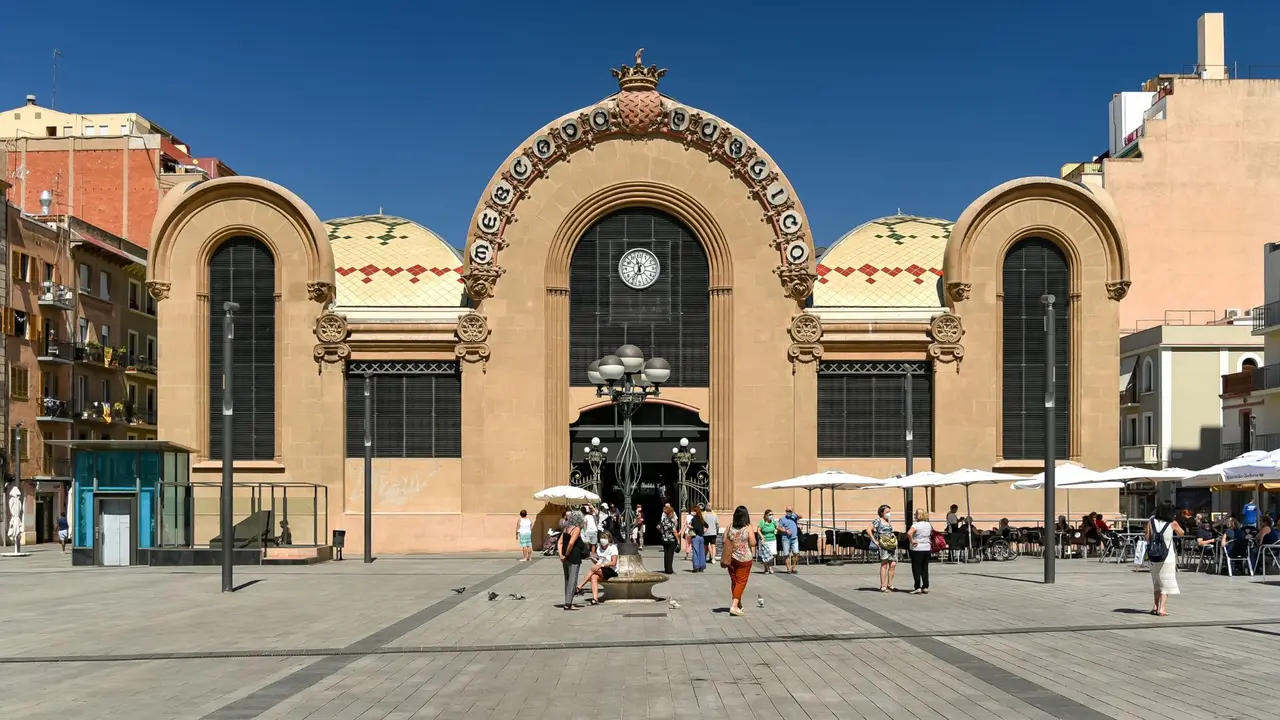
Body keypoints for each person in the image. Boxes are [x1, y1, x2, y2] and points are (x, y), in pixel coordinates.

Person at [1146, 501, 1183, 617]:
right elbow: (1182, 533)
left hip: (1153, 556)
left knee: (1156, 582)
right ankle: (1161, 608)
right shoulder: (1173, 523)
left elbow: (1147, 537)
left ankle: (1155, 606)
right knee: (1166, 583)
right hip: (1167, 557)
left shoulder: (1151, 521)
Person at [723, 506, 756, 616]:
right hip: (744, 558)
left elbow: (724, 540)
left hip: (731, 558)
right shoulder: (748, 527)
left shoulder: (730, 526)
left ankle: (738, 604)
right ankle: (734, 606)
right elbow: (752, 543)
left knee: (734, 581)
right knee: (741, 582)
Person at [577, 532, 619, 605]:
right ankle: (595, 599)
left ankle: (579, 586)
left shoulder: (613, 547)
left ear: (609, 539)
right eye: (601, 538)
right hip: (602, 569)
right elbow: (599, 562)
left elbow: (613, 562)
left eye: (605, 538)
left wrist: (601, 565)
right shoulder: (599, 548)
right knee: (593, 577)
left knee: (592, 569)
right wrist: (594, 560)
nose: (603, 540)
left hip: (611, 570)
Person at [867, 504, 898, 592]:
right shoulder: (878, 521)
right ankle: (882, 585)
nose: (889, 514)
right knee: (884, 564)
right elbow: (868, 530)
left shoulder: (888, 521)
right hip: (883, 545)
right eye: (887, 512)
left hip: (891, 545)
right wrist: (874, 540)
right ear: (881, 512)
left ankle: (890, 584)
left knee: (893, 564)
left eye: (889, 512)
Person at [559, 511, 586, 611]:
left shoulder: (566, 528)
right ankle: (568, 604)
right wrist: (566, 554)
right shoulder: (576, 529)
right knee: (572, 580)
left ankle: (567, 600)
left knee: (567, 579)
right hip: (573, 557)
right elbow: (571, 543)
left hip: (565, 558)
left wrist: (561, 555)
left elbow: (560, 542)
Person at [906, 508, 933, 595]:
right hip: (927, 547)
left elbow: (909, 533)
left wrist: (912, 540)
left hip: (917, 548)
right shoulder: (929, 524)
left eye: (915, 514)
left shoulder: (916, 525)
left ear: (918, 515)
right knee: (925, 568)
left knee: (916, 568)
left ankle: (917, 586)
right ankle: (925, 586)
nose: (914, 516)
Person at [777, 506, 802, 574]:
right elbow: (779, 527)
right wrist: (785, 531)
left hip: (794, 538)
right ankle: (788, 569)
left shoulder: (794, 517)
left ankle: (793, 567)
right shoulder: (782, 519)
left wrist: (793, 511)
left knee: (796, 553)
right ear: (785, 511)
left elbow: (801, 516)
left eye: (790, 511)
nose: (789, 512)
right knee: (786, 554)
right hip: (785, 539)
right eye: (787, 511)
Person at [659, 503, 679, 574]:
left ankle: (666, 568)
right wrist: (678, 540)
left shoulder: (663, 521)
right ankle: (669, 570)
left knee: (666, 554)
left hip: (664, 539)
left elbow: (660, 529)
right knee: (670, 555)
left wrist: (664, 533)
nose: (673, 514)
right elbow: (675, 532)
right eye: (672, 513)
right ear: (670, 513)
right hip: (671, 540)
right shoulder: (671, 522)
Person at [756, 509, 778, 574]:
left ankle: (770, 566)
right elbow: (758, 530)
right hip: (765, 541)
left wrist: (783, 530)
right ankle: (765, 568)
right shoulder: (762, 522)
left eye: (772, 514)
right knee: (765, 555)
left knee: (773, 554)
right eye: (769, 515)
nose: (771, 516)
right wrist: (762, 536)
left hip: (773, 540)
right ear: (766, 515)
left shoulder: (773, 521)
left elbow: (777, 527)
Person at [689, 505, 708, 572]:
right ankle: (702, 566)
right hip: (701, 537)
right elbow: (707, 525)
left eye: (692, 511)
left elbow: (695, 527)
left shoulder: (694, 519)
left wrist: (690, 527)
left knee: (695, 552)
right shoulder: (701, 518)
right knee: (701, 552)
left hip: (696, 536)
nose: (691, 512)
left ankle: (696, 567)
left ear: (695, 511)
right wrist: (703, 531)